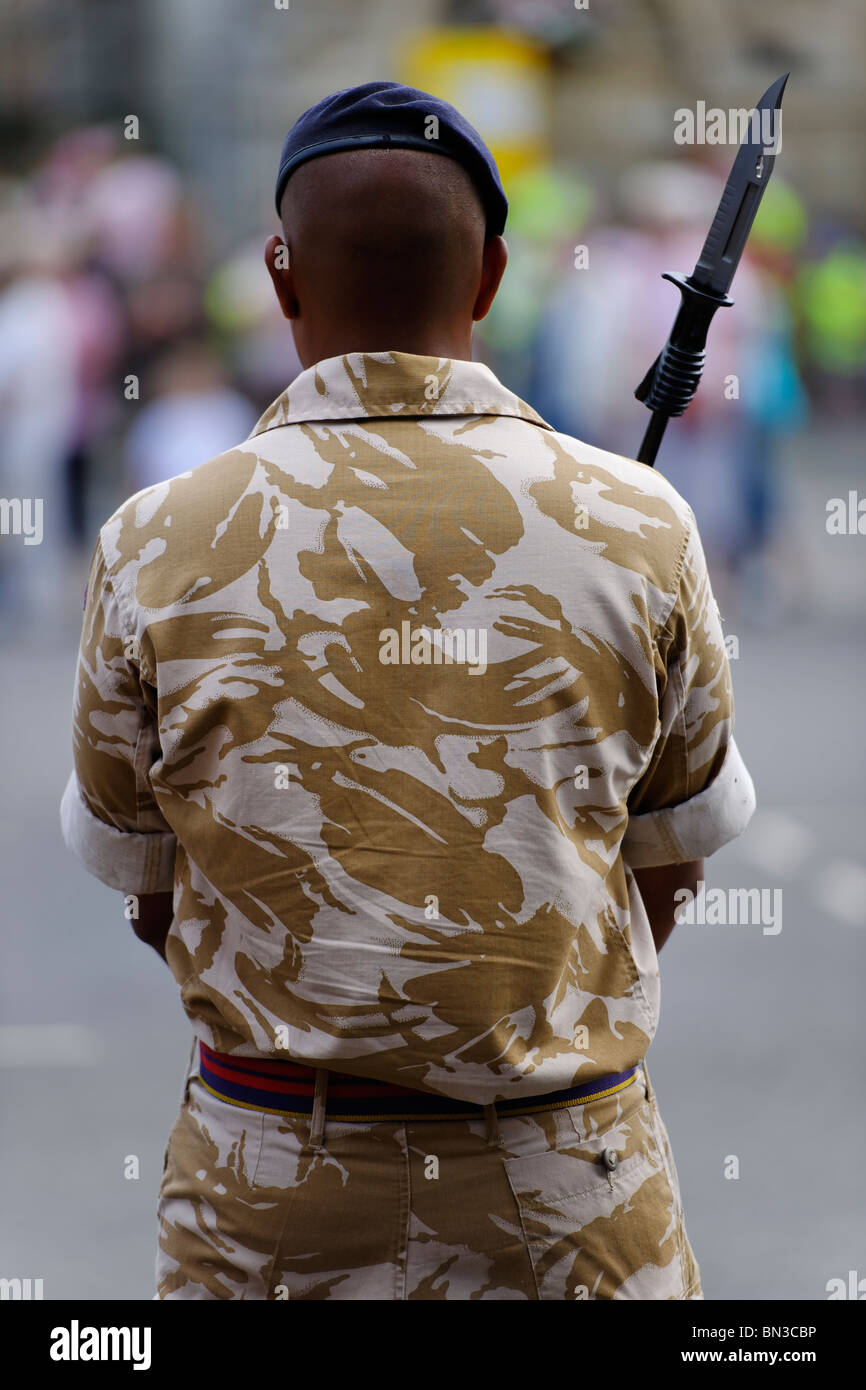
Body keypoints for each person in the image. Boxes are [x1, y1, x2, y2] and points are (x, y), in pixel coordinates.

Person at [60, 81, 756, 1301]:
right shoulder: (637, 521)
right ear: (489, 276)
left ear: (280, 278)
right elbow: (669, 857)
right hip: (568, 1183)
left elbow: (147, 879)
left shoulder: (152, 538)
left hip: (267, 1191)